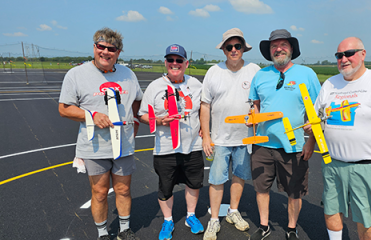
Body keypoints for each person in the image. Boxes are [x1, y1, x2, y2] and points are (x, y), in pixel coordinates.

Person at [311, 37, 371, 240]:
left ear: (362, 54)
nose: (343, 59)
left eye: (349, 53)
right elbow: (317, 119)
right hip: (332, 163)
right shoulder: (329, 84)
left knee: (367, 222)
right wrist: (311, 136)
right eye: (339, 55)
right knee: (331, 211)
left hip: (366, 166)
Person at [58, 27, 143, 240]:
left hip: (123, 145)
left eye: (111, 49)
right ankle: (103, 232)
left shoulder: (128, 74)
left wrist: (134, 129)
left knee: (123, 190)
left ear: (118, 52)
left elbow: (137, 103)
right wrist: (92, 115)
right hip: (94, 147)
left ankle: (124, 229)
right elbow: (64, 108)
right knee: (100, 192)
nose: (105, 52)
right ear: (94, 47)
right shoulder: (76, 74)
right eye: (101, 47)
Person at [248, 29, 320, 240]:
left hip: (294, 146)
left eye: (283, 45)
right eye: (274, 46)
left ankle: (291, 228)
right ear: (269, 51)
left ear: (291, 49)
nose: (278, 49)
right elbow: (256, 106)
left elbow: (316, 111)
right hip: (263, 145)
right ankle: (264, 225)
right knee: (261, 188)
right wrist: (251, 116)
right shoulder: (260, 75)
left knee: (294, 191)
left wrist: (311, 142)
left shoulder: (307, 74)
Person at [138, 44, 204, 240]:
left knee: (193, 183)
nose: (175, 64)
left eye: (179, 60)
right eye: (171, 60)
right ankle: (167, 220)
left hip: (193, 145)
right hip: (165, 148)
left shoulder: (196, 84)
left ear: (186, 63)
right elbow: (142, 115)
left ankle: (190, 216)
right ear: (165, 63)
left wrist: (204, 126)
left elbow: (205, 109)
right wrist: (159, 121)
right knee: (165, 187)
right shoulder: (155, 87)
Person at [200, 28, 260, 240]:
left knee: (240, 175)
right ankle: (214, 219)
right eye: (229, 47)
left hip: (245, 137)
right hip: (220, 138)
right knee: (217, 179)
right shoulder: (214, 72)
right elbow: (205, 105)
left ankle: (233, 211)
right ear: (223, 50)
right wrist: (207, 136)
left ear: (244, 48)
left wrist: (256, 115)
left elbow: (259, 102)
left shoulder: (254, 70)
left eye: (238, 46)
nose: (234, 50)